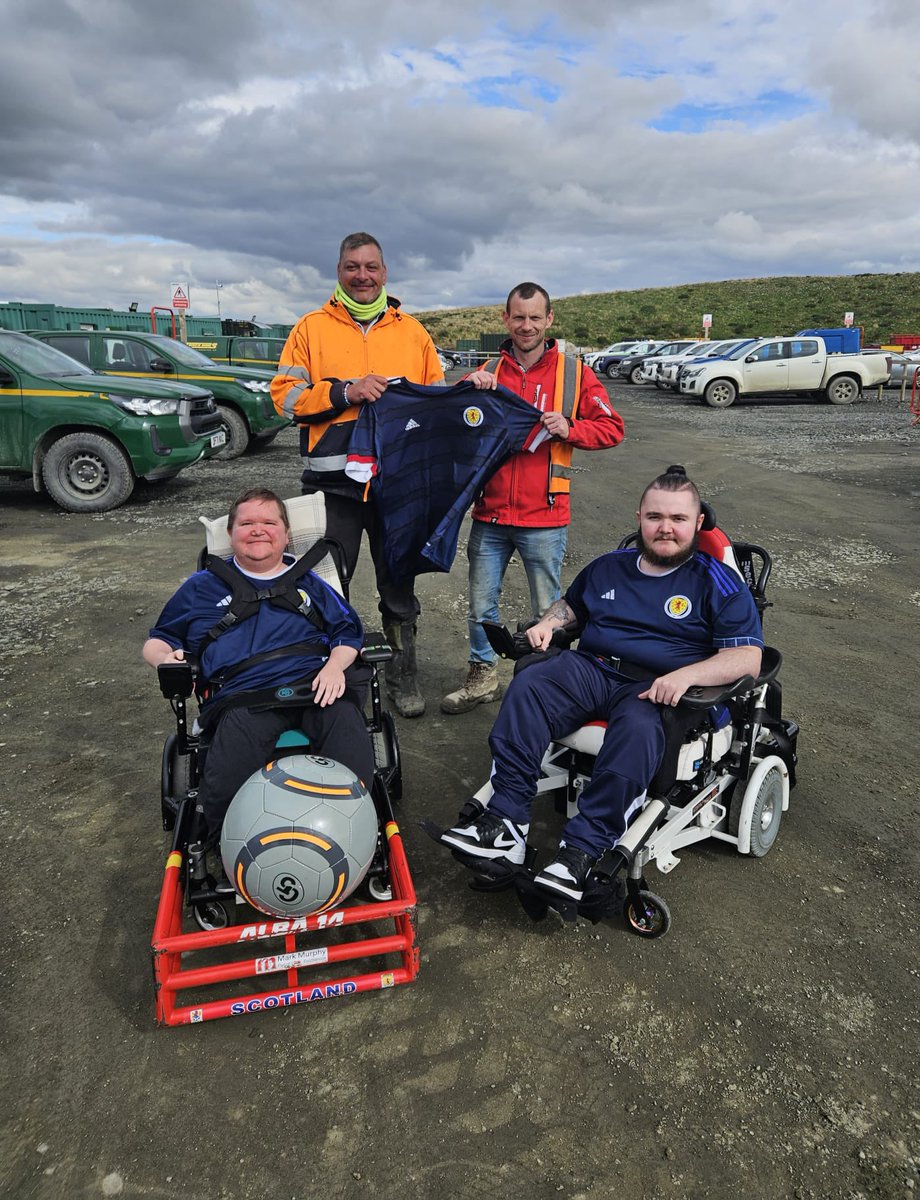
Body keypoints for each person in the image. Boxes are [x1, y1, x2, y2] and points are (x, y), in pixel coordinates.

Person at [440, 467, 764, 902]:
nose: (665, 528)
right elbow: (571, 608)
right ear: (639, 518)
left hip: (659, 687)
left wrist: (686, 675)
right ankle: (506, 823)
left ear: (698, 523)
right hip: (595, 668)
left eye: (678, 519)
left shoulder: (718, 583)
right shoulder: (608, 567)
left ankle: (582, 851)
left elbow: (748, 657)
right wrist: (547, 624)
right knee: (531, 684)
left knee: (638, 727)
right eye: (654, 517)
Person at [271, 233, 444, 718]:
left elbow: (435, 404)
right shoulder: (310, 328)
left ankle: (402, 675)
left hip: (396, 486)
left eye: (371, 267)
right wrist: (345, 391)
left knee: (398, 582)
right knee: (327, 582)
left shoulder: (412, 332)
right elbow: (284, 396)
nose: (362, 276)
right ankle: (333, 674)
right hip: (332, 487)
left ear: (384, 273)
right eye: (352, 267)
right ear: (339, 271)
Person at [143, 488, 374, 846]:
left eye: (269, 522)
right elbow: (158, 641)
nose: (258, 530)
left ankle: (356, 840)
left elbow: (349, 632)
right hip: (243, 697)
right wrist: (166, 659)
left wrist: (335, 666)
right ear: (231, 534)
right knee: (223, 790)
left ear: (285, 535)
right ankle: (228, 851)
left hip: (317, 685)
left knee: (349, 738)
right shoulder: (200, 588)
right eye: (246, 523)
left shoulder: (311, 582)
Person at [440, 282, 625, 715]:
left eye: (534, 318)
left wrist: (571, 428)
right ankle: (482, 676)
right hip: (491, 516)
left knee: (550, 610)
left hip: (545, 517)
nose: (526, 326)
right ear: (506, 320)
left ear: (549, 320)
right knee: (481, 605)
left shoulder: (574, 373)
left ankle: (549, 686)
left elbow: (613, 428)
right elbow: (451, 426)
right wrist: (467, 389)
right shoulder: (486, 372)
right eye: (518, 317)